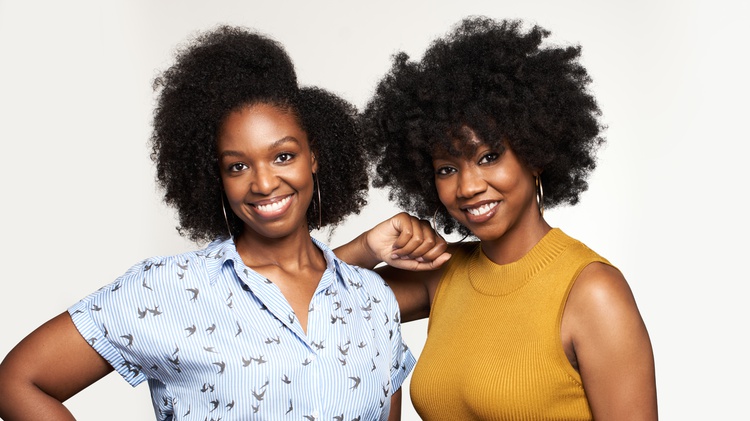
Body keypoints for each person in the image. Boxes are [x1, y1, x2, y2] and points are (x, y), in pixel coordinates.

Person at [0, 26, 416, 421]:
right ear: (215, 177)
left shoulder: (372, 299)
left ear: (315, 157)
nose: (265, 182)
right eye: (238, 166)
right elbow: (18, 381)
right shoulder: (169, 289)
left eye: (283, 156)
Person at [339, 17, 658, 420]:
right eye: (446, 168)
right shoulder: (441, 274)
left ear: (535, 152)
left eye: (489, 157)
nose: (468, 186)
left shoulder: (592, 293)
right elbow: (296, 302)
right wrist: (365, 247)